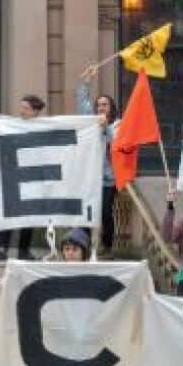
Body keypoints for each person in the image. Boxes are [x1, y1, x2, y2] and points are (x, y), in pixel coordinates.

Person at [54, 228, 98, 366]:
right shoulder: (55, 275)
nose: (70, 253)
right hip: (63, 340)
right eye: (67, 249)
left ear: (84, 252)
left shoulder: (94, 276)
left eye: (74, 249)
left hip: (86, 340)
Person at [0, 94, 46, 261]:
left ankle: (23, 250)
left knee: (28, 215)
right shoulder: (13, 125)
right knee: (7, 213)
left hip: (32, 176)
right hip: (13, 175)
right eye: (21, 107)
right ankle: (1, 248)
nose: (22, 111)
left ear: (35, 111)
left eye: (26, 108)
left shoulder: (44, 128)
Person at [76, 73, 120, 256]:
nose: (101, 107)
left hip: (108, 179)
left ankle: (107, 247)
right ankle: (82, 245)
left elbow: (115, 141)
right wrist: (85, 83)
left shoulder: (117, 124)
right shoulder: (90, 122)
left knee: (105, 212)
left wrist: (105, 126)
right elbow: (82, 104)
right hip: (88, 177)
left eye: (105, 104)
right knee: (85, 212)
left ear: (111, 108)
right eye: (99, 105)